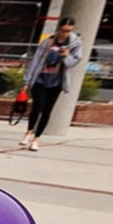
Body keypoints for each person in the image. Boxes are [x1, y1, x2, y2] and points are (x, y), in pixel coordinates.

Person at [20, 17, 82, 151]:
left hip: (56, 82)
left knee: (47, 110)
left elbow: (73, 63)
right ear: (59, 28)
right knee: (37, 106)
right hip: (40, 79)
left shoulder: (75, 44)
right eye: (63, 30)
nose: (65, 33)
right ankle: (29, 132)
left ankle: (37, 139)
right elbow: (35, 60)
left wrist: (66, 56)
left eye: (69, 31)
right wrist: (27, 80)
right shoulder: (48, 42)